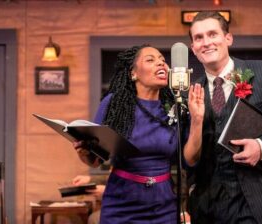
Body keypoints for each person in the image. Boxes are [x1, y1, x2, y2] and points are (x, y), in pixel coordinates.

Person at [186, 11, 262, 224]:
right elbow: (190, 157)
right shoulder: (191, 93)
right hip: (211, 209)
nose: (206, 42)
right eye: (198, 38)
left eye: (212, 34)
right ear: (193, 48)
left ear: (228, 38)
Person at [73, 44, 205, 223]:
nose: (160, 64)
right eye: (150, 60)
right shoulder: (113, 105)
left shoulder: (176, 107)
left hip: (164, 204)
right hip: (122, 202)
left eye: (162, 61)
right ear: (133, 73)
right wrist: (84, 152)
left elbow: (190, 159)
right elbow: (95, 161)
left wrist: (197, 120)